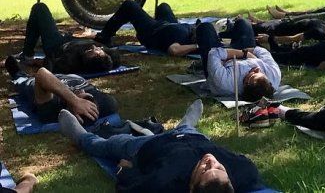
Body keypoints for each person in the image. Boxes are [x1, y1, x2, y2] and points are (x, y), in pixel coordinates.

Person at [57, 99, 264, 192]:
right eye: (219, 168)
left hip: (144, 145)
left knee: (107, 145)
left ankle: (81, 136)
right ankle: (186, 123)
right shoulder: (243, 173)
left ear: (191, 187)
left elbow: (129, 186)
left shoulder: (164, 181)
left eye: (205, 170)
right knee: (188, 130)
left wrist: (123, 169)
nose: (211, 162)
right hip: (193, 137)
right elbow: (248, 167)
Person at [5, 56, 118, 124]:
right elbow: (110, 103)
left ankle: (17, 73)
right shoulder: (106, 104)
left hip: (35, 83)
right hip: (62, 76)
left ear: (74, 113)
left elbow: (42, 73)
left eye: (82, 99)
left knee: (21, 80)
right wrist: (82, 99)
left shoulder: (52, 110)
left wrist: (75, 100)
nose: (82, 92)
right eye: (88, 98)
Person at [19, 2, 122, 75]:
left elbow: (50, 62)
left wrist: (35, 62)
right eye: (99, 50)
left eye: (91, 51)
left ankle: (27, 55)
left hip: (57, 44)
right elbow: (112, 55)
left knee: (40, 8)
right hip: (70, 40)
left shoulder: (70, 62)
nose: (95, 47)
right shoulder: (110, 57)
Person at [195, 19, 280, 102]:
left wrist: (239, 55)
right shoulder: (273, 75)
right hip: (243, 51)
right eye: (261, 73)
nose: (257, 69)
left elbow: (213, 54)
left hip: (222, 56)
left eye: (253, 75)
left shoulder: (224, 82)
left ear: (245, 85)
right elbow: (261, 51)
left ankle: (209, 35)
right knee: (243, 23)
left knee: (205, 28)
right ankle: (225, 33)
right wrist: (245, 53)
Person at [94, 0, 198, 57]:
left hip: (152, 31)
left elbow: (174, 50)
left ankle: (104, 36)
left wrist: (197, 46)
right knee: (163, 6)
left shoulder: (181, 41)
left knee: (130, 6)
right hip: (168, 24)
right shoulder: (190, 32)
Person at [236, 14, 325, 46]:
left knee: (244, 27)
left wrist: (270, 39)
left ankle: (233, 25)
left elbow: (295, 38)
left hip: (278, 30)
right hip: (283, 23)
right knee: (253, 25)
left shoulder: (320, 33)